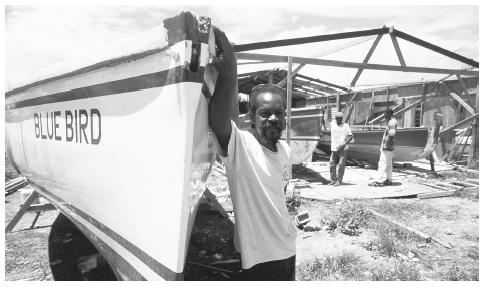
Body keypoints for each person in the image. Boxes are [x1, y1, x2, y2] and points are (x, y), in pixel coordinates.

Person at [208, 27, 297, 281]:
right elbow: (220, 122)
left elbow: (279, 193)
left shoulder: (285, 150)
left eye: (279, 113)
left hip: (288, 247)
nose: (273, 118)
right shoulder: (242, 147)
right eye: (265, 113)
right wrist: (229, 72)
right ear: (251, 117)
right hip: (260, 257)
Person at [370, 109, 397, 187]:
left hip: (387, 147)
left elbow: (392, 134)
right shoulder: (392, 121)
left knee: (382, 163)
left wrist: (386, 145)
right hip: (389, 147)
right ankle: (389, 180)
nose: (384, 116)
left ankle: (378, 181)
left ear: (389, 114)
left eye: (385, 115)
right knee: (388, 164)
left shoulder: (391, 122)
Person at [329, 112, 354, 186]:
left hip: (343, 149)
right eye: (338, 118)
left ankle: (339, 181)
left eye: (341, 118)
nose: (340, 120)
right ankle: (333, 180)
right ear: (335, 119)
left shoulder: (346, 126)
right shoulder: (332, 124)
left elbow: (350, 136)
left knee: (341, 165)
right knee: (332, 164)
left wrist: (344, 144)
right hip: (334, 148)